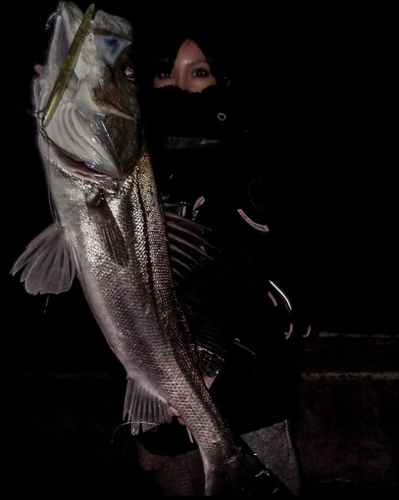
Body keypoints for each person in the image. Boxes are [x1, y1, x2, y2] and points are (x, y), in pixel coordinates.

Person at [125, 25, 315, 496]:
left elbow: (284, 260)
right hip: (156, 401)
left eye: (199, 72)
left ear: (221, 83)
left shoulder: (258, 158)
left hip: (251, 399)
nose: (183, 87)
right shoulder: (125, 168)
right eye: (166, 75)